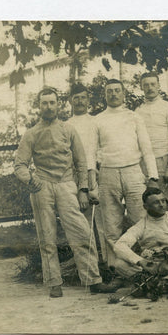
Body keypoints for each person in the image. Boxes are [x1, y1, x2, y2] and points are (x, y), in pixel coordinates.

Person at [14, 87, 117, 297]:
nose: (49, 107)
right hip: (42, 186)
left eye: (52, 102)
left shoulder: (68, 130)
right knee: (47, 236)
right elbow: (19, 165)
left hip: (67, 184)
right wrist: (30, 179)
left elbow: (81, 162)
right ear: (39, 106)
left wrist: (82, 190)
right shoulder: (31, 134)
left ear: (58, 104)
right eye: (45, 103)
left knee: (81, 231)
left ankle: (93, 281)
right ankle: (54, 283)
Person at [89, 78, 159, 277]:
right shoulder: (98, 119)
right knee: (111, 225)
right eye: (109, 91)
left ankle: (148, 265)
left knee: (141, 219)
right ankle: (117, 270)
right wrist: (92, 184)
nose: (113, 94)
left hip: (133, 171)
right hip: (108, 173)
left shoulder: (134, 117)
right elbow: (91, 153)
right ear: (105, 95)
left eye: (117, 91)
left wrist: (152, 176)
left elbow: (147, 148)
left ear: (123, 93)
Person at [111, 188, 168, 295]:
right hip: (151, 266)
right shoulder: (141, 225)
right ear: (145, 207)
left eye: (163, 201)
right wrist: (141, 262)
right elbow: (119, 245)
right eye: (156, 202)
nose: (161, 205)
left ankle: (160, 284)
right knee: (119, 263)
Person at [66, 83, 108, 264]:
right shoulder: (66, 125)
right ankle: (87, 263)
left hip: (97, 172)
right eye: (76, 98)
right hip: (75, 175)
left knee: (103, 219)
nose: (80, 101)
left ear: (88, 100)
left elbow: (100, 148)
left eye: (83, 97)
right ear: (70, 101)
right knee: (81, 221)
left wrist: (95, 171)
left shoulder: (96, 121)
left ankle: (107, 261)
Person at [135, 72, 168, 215]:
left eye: (153, 84)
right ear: (142, 87)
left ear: (158, 86)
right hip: (144, 164)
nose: (150, 88)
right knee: (149, 204)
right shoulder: (138, 111)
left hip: (165, 160)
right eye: (146, 85)